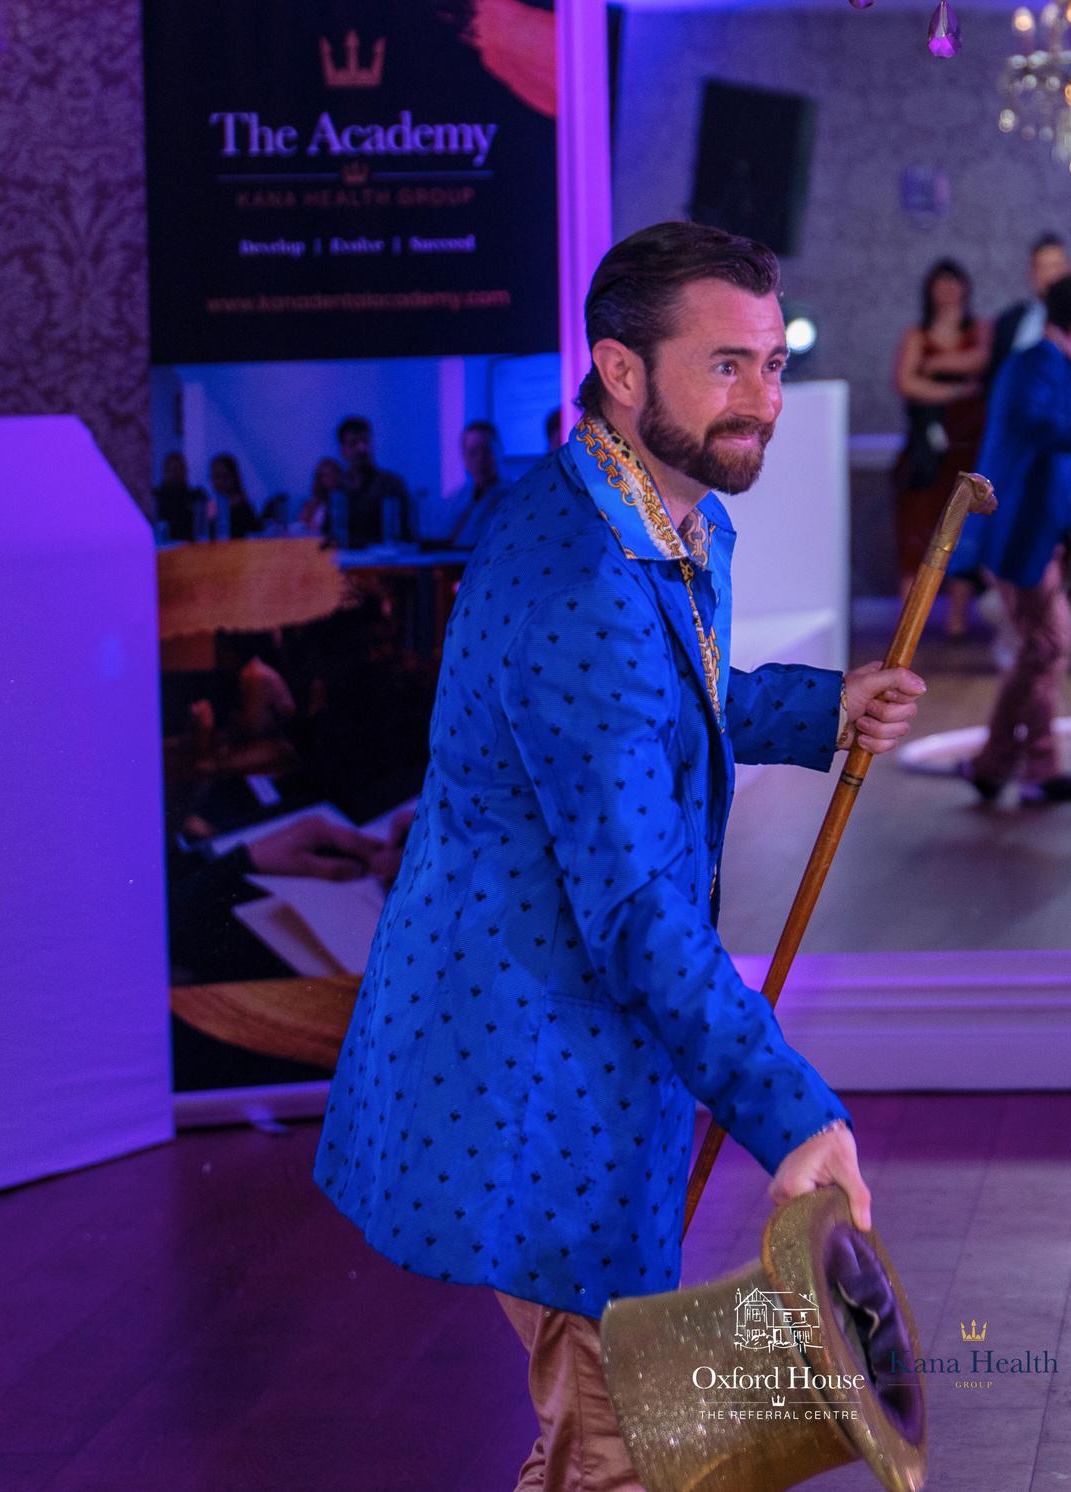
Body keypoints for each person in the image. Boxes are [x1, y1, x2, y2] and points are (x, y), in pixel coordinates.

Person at [313, 219, 929, 1489]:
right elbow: (643, 907)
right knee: (620, 1454)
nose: (763, 399)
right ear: (622, 369)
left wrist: (824, 707)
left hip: (587, 1052)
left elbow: (668, 704)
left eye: (772, 362)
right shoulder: (583, 573)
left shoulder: (642, 514)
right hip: (528, 1069)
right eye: (725, 365)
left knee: (598, 1451)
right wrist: (790, 1113)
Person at [949, 273, 1071, 804]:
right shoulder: (1036, 364)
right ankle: (1027, 766)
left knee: (1044, 647)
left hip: (1034, 534)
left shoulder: (1059, 369)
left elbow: (1066, 479)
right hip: (1017, 532)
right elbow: (1038, 429)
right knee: (1048, 644)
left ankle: (1005, 764)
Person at [893, 258, 990, 636]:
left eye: (953, 283)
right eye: (940, 283)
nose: (948, 291)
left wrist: (932, 366)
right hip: (927, 452)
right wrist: (955, 388)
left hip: (969, 446)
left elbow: (980, 359)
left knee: (964, 533)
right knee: (916, 533)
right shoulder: (915, 333)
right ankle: (906, 628)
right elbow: (906, 382)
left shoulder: (980, 329)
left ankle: (957, 622)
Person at [986, 232, 1071, 382]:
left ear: (1070, 270)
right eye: (1042, 267)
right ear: (1031, 274)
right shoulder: (1009, 321)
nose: (1050, 275)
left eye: (1055, 266)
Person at [333, 415, 414, 548]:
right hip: (345, 558)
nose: (362, 448)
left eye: (365, 441)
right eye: (353, 444)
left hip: (383, 559)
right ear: (343, 451)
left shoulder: (391, 484)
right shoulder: (338, 488)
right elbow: (330, 534)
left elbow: (405, 534)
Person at [433, 420, 509, 551]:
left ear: (500, 450)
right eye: (473, 452)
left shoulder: (516, 494)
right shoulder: (454, 500)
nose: (480, 459)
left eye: (487, 450)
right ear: (464, 457)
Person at [153, 452, 213, 543]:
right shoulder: (156, 497)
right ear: (165, 471)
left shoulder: (197, 496)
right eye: (173, 469)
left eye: (181, 468)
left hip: (192, 546)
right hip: (163, 546)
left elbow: (208, 521)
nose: (177, 473)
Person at [208, 453, 262, 539]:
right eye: (216, 477)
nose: (220, 482)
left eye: (225, 476)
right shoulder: (209, 507)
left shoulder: (243, 508)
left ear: (234, 477)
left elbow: (255, 534)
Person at [299, 457, 344, 537]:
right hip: (312, 541)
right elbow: (301, 524)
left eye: (333, 473)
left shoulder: (343, 501)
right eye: (326, 475)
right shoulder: (314, 503)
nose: (331, 478)